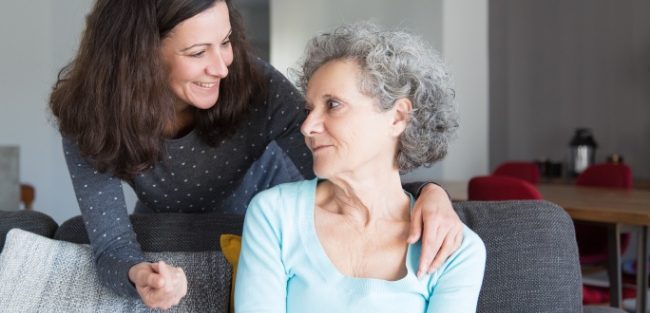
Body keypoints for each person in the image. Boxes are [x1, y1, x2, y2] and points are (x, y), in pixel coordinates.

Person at [49, 0, 463, 310]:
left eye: (225, 42)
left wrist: (428, 193)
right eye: (197, 53)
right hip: (171, 230)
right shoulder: (90, 117)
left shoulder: (255, 86)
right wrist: (139, 274)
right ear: (137, 58)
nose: (222, 67)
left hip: (272, 224)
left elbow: (353, 165)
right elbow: (111, 245)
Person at [235, 22, 486, 313]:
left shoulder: (455, 250)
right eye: (308, 110)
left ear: (397, 117)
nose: (307, 126)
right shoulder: (275, 215)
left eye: (333, 105)